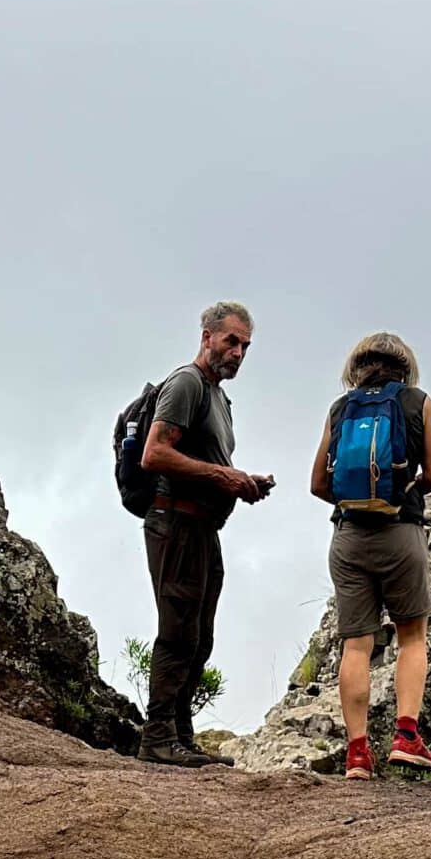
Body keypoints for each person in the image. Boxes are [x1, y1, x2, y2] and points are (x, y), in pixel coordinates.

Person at [136, 301, 275, 767]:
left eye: (245, 346)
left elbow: (209, 462)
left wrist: (243, 482)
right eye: (230, 341)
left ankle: (179, 734)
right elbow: (154, 454)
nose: (237, 353)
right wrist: (223, 478)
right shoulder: (187, 384)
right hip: (174, 522)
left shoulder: (217, 395)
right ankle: (157, 736)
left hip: (201, 527)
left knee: (200, 635)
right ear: (207, 336)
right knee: (177, 631)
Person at [310, 332, 431, 779]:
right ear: (405, 366)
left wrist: (356, 502)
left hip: (349, 537)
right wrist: (401, 492)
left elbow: (317, 485)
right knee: (412, 636)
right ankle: (406, 738)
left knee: (356, 644)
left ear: (357, 365)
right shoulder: (417, 402)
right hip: (400, 532)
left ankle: (356, 755)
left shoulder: (341, 408)